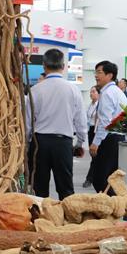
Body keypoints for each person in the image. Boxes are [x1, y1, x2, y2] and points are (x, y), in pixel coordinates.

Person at [26, 49, 87, 200]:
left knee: (39, 188)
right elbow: (81, 121)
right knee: (66, 188)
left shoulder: (35, 90)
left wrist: (27, 144)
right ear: (64, 66)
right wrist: (79, 143)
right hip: (63, 143)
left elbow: (27, 122)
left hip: (39, 143)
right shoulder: (73, 90)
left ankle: (40, 220)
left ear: (44, 66)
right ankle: (67, 220)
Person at [89, 60, 127, 193]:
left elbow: (105, 122)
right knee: (112, 179)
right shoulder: (118, 92)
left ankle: (109, 208)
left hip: (109, 139)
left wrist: (95, 143)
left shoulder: (107, 93)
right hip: (118, 139)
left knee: (100, 179)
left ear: (110, 75)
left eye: (99, 72)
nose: (96, 75)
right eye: (96, 72)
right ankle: (113, 209)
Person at [83, 86, 99, 188]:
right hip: (90, 131)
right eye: (90, 92)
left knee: (95, 156)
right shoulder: (90, 105)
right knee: (93, 156)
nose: (91, 94)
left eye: (93, 92)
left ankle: (90, 178)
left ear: (98, 94)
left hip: (96, 131)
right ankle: (92, 178)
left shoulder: (99, 105)